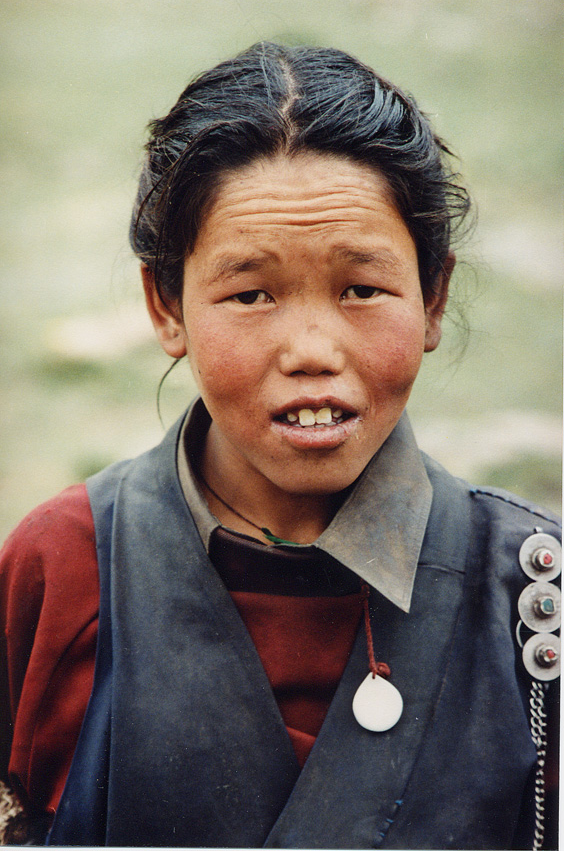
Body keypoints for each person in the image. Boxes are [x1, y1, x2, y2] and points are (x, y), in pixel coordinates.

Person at [0, 42, 560, 849]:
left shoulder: (531, 600)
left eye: (361, 290)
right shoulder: (64, 567)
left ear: (433, 298)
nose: (311, 349)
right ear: (166, 306)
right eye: (251, 293)